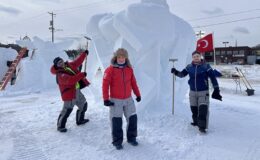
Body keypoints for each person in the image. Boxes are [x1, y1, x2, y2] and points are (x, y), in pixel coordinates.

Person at [171, 51, 222, 133]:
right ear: (192, 58)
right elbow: (182, 74)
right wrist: (175, 72)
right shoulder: (189, 67)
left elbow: (213, 78)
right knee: (194, 109)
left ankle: (202, 127)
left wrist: (216, 89)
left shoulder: (206, 66)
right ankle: (196, 122)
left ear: (200, 57)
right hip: (192, 92)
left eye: (197, 56)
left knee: (202, 109)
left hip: (203, 92)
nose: (196, 58)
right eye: (194, 56)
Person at [102, 48, 141, 150]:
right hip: (116, 101)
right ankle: (117, 141)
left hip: (128, 99)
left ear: (126, 58)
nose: (121, 59)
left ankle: (132, 138)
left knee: (133, 118)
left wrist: (138, 94)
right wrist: (106, 99)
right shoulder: (110, 70)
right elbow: (105, 85)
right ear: (116, 57)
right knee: (116, 121)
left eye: (123, 57)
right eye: (119, 57)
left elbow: (133, 83)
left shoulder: (129, 69)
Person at [50, 50, 90, 133]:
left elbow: (78, 61)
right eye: (59, 63)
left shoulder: (69, 65)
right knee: (67, 110)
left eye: (61, 61)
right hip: (69, 94)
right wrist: (81, 75)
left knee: (84, 104)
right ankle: (60, 126)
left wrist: (84, 54)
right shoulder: (60, 74)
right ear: (56, 66)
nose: (61, 63)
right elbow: (71, 80)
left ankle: (80, 120)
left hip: (77, 91)